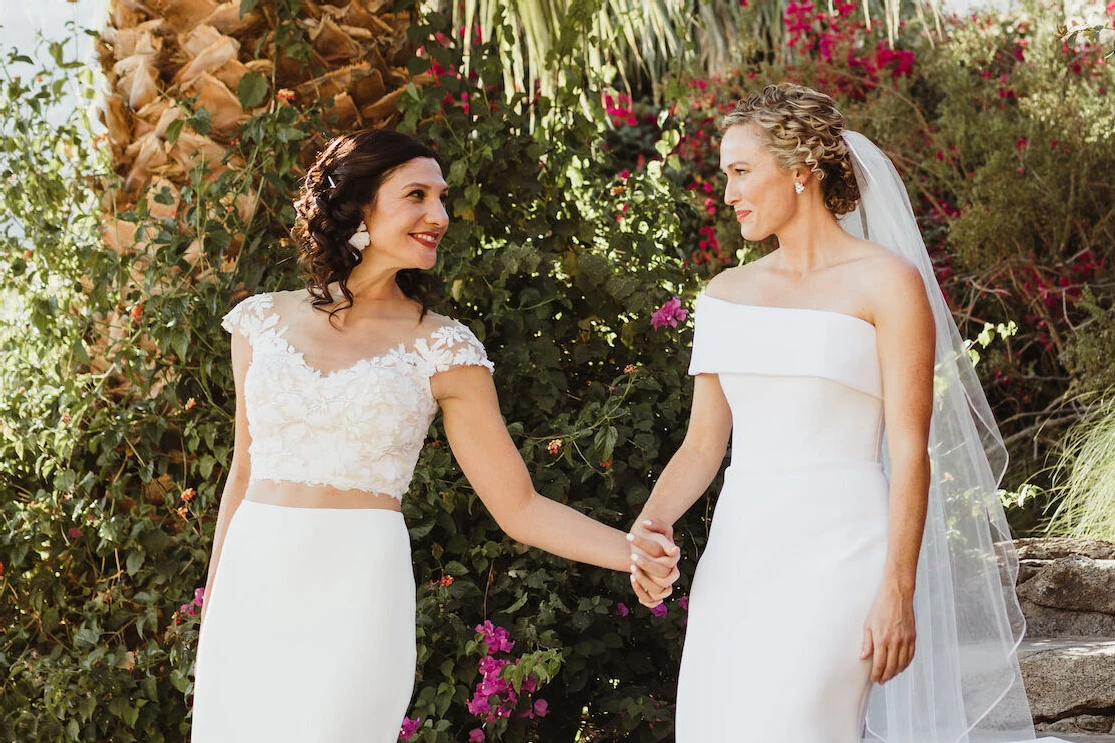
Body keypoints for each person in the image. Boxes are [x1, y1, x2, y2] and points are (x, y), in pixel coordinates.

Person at [191, 129, 680, 743]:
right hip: (254, 578)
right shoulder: (262, 320)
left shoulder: (444, 349)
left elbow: (519, 506)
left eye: (442, 197)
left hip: (358, 586)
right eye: (416, 195)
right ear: (359, 205)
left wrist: (632, 554)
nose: (439, 215)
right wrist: (218, 600)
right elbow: (244, 467)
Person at [629, 84, 1037, 742]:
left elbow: (909, 451)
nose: (727, 192)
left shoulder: (886, 282)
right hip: (740, 553)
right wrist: (648, 526)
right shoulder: (725, 293)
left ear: (797, 171)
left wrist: (896, 590)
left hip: (843, 552)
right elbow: (702, 445)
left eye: (739, 172)